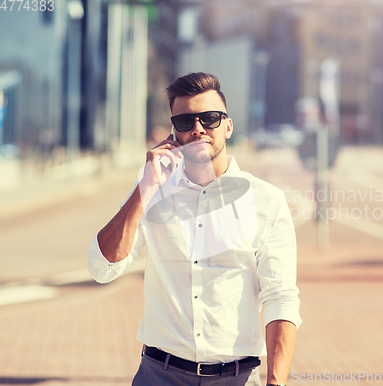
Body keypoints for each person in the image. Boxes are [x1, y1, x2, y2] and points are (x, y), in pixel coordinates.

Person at [87, 72, 301, 386]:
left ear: (227, 125)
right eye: (186, 121)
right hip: (159, 375)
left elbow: (280, 297)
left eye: (209, 118)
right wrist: (145, 187)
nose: (198, 128)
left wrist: (277, 381)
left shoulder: (266, 201)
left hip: (239, 378)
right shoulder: (153, 191)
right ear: (174, 132)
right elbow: (102, 268)